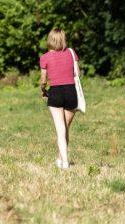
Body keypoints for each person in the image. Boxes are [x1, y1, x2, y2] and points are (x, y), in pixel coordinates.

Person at [39, 28, 79, 169]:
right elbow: (77, 73)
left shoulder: (44, 57)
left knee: (60, 129)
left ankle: (65, 162)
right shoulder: (71, 53)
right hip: (71, 92)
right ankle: (60, 158)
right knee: (65, 128)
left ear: (50, 39)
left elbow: (43, 81)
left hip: (55, 92)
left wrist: (44, 90)